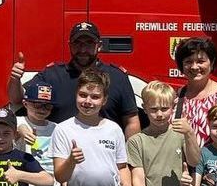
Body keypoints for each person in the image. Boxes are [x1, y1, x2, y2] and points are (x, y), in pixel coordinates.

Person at [8, 22, 140, 138]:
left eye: (89, 43)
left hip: (103, 155)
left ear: (99, 45)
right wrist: (15, 79)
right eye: (77, 43)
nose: (82, 49)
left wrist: (131, 160)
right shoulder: (52, 75)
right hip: (60, 155)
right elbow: (18, 100)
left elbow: (131, 121)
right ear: (70, 45)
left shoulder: (117, 77)